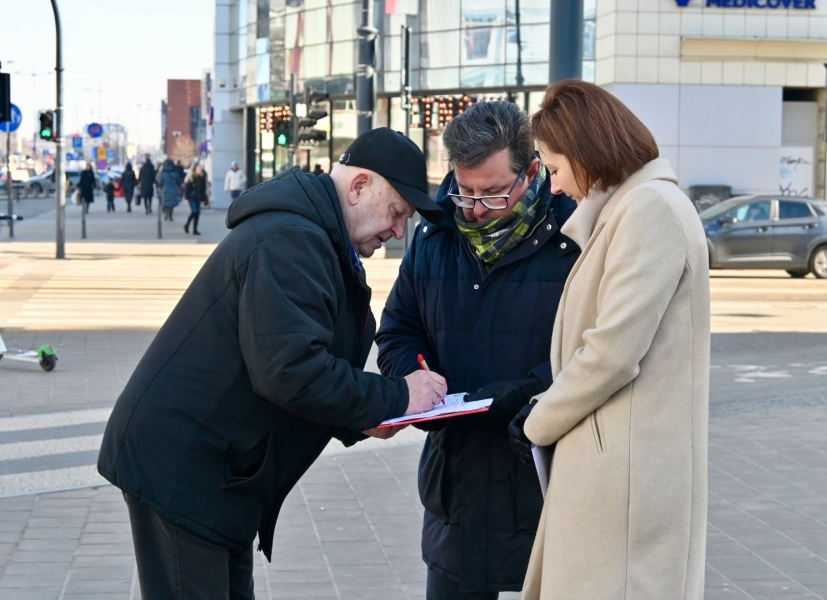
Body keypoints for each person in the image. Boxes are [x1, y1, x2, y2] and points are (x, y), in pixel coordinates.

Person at [97, 128, 449, 600]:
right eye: (397, 212)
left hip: (220, 475)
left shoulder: (311, 235)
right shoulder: (291, 238)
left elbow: (293, 363)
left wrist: (364, 416)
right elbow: (291, 372)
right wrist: (398, 395)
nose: (399, 231)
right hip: (183, 471)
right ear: (359, 187)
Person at [510, 80, 710, 600]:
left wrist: (539, 420)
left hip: (626, 478)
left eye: (555, 168)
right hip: (621, 467)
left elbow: (613, 352)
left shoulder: (648, 210)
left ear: (586, 152)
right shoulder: (634, 208)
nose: (554, 186)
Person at [375, 102, 580, 599]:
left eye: (492, 193)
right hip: (455, 500)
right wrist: (416, 380)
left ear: (531, 172)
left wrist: (527, 393)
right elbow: (398, 329)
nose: (474, 208)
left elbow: (594, 352)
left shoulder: (576, 239)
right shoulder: (433, 236)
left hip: (544, 493)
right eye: (464, 190)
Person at [183, 163, 208, 235]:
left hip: (199, 197)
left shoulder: (202, 177)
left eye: (200, 168)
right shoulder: (191, 177)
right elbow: (187, 189)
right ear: (195, 169)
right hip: (192, 197)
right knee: (194, 211)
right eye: (198, 169)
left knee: (197, 213)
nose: (200, 170)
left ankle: (195, 230)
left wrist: (204, 198)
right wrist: (186, 198)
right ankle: (187, 225)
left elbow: (203, 189)